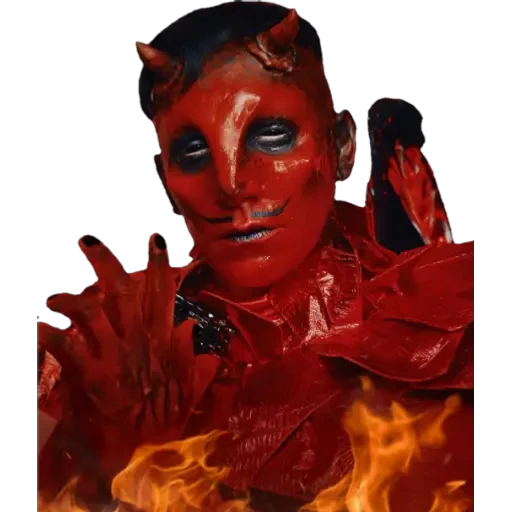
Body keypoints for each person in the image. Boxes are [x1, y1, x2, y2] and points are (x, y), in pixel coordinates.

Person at [36, 3, 474, 511]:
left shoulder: (448, 304)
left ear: (342, 146)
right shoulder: (116, 341)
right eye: (193, 152)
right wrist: (111, 468)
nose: (230, 185)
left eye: (271, 136)